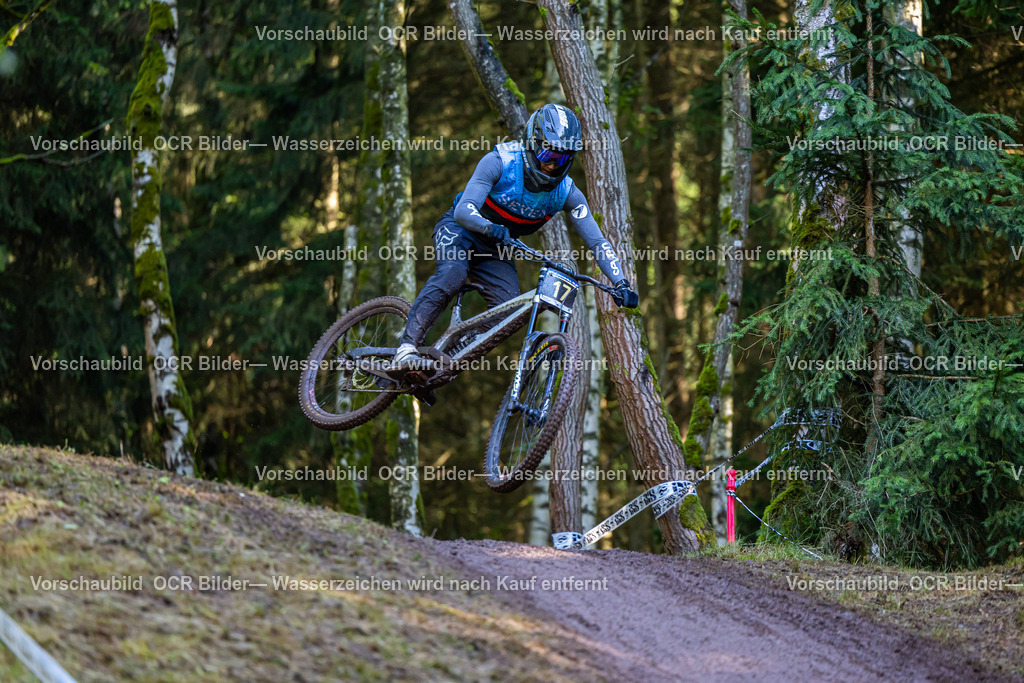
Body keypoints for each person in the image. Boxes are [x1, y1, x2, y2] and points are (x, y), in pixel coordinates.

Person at [392, 103, 638, 374]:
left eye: (563, 160)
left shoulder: (567, 193)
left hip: (496, 249)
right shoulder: (501, 161)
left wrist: (620, 283)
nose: (553, 166)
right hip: (460, 230)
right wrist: (487, 226)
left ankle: (442, 363)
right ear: (533, 144)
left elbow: (597, 242)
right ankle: (406, 349)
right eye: (548, 155)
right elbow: (464, 210)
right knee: (453, 274)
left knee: (507, 312)